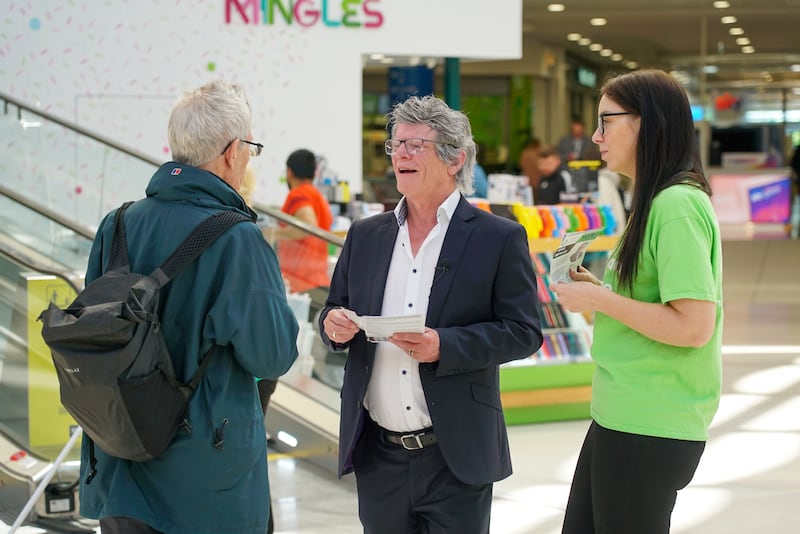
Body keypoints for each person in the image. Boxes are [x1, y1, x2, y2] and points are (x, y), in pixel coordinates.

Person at [79, 80, 300, 534]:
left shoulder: (116, 224)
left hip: (120, 462)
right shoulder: (238, 239)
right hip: (205, 483)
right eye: (251, 149)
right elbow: (272, 355)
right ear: (231, 151)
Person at [319, 94, 543, 534]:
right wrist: (334, 327)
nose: (400, 154)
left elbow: (524, 331)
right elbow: (332, 310)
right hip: (378, 455)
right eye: (395, 144)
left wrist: (446, 345)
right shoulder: (365, 235)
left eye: (414, 145)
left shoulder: (498, 238)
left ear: (455, 159)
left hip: (455, 456)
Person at [552, 69, 723, 533]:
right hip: (625, 411)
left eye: (607, 121)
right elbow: (656, 305)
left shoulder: (675, 205)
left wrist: (602, 302)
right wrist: (600, 292)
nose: (595, 136)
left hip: (649, 420)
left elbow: (693, 326)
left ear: (646, 122)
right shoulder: (654, 201)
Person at [270, 148, 334, 300]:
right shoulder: (319, 197)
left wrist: (273, 233)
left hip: (300, 282)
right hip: (318, 279)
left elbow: (308, 225)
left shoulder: (298, 194)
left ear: (289, 172)